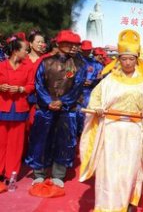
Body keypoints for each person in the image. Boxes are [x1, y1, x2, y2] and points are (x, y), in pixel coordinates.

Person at [79, 29, 143, 212]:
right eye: (124, 58)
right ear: (118, 59)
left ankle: (128, 201)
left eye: (131, 58)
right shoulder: (109, 81)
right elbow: (95, 99)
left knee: (129, 170)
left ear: (136, 59)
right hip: (111, 130)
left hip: (133, 132)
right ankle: (106, 205)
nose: (128, 62)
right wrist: (98, 109)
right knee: (109, 170)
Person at [25, 30, 87, 197]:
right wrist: (48, 101)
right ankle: (39, 174)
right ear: (59, 44)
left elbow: (78, 87)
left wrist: (63, 101)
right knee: (41, 140)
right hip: (45, 110)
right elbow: (38, 83)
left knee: (64, 142)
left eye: (76, 45)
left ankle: (58, 174)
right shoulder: (45, 62)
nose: (74, 48)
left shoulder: (80, 65)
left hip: (68, 111)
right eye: (70, 44)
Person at [0, 36, 34, 193]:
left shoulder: (27, 68)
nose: (26, 52)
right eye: (24, 50)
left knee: (16, 143)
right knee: (1, 142)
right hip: (2, 107)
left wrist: (21, 89)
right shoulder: (1, 66)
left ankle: (11, 174)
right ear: (15, 51)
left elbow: (31, 85)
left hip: (19, 109)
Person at [77, 40, 103, 136]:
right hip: (77, 94)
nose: (86, 52)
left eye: (88, 50)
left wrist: (93, 82)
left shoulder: (96, 64)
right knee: (77, 116)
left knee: (88, 117)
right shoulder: (74, 61)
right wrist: (80, 81)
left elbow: (100, 80)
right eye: (84, 50)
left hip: (90, 94)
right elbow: (69, 75)